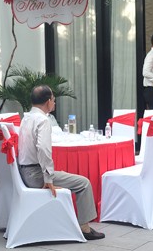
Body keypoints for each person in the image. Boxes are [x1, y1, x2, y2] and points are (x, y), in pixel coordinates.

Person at [17, 85, 105, 240]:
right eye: (53, 99)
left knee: (64, 174)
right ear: (48, 101)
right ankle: (85, 228)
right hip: (36, 175)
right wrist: (48, 179)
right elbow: (43, 149)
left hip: (24, 172)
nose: (54, 103)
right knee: (84, 183)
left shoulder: (26, 118)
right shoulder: (42, 120)